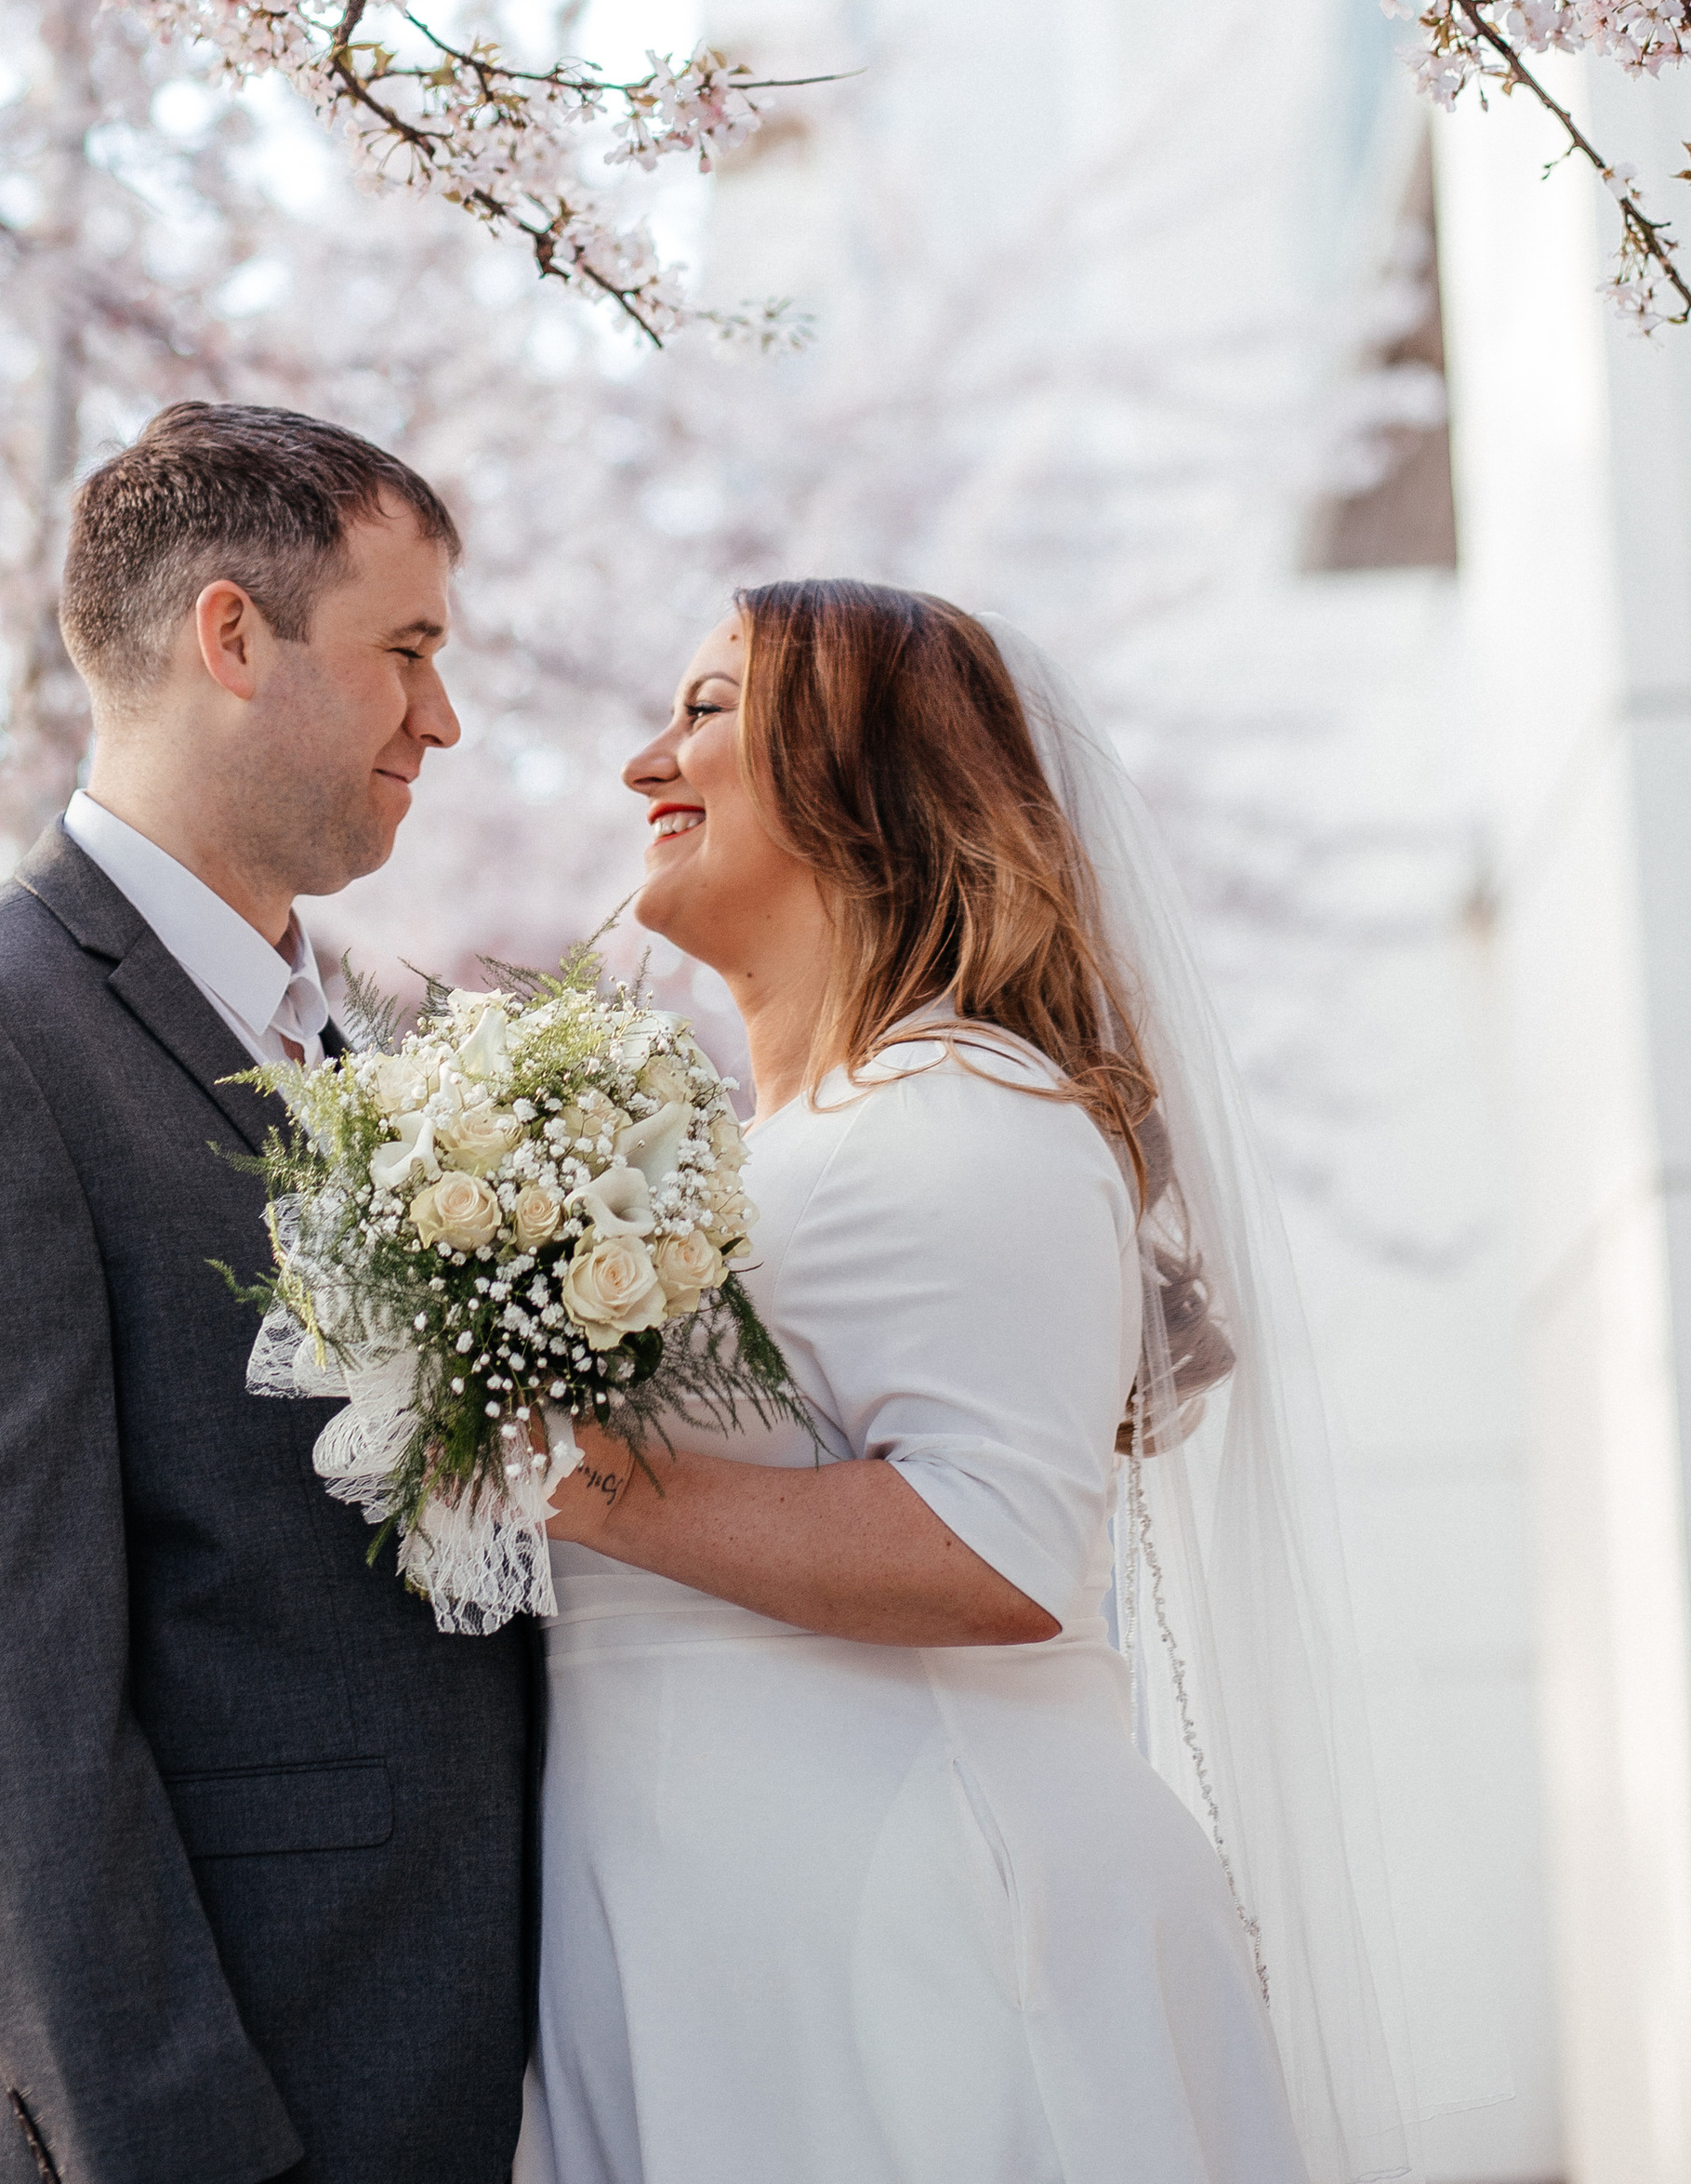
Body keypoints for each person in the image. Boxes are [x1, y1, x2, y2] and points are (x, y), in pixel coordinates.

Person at [519, 578, 1403, 2184]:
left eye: (706, 711)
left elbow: (988, 1547)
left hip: (911, 1948)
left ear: (866, 777)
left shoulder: (965, 1111)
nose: (646, 761)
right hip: (724, 1936)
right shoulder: (797, 1139)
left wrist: (563, 1477)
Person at [0, 402, 535, 2184]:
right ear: (229, 636)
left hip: (438, 2074)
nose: (444, 718)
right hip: (206, 2114)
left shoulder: (372, 1046)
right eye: (406, 652)